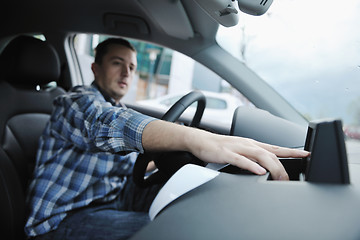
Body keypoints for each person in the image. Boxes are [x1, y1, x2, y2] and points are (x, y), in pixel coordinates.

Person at [25, 38, 309, 240]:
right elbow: (104, 125)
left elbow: (129, 164)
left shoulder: (118, 107)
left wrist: (183, 155)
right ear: (96, 69)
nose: (126, 73)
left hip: (113, 199)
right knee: (177, 229)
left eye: (132, 67)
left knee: (195, 201)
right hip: (62, 220)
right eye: (116, 63)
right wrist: (193, 139)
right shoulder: (74, 101)